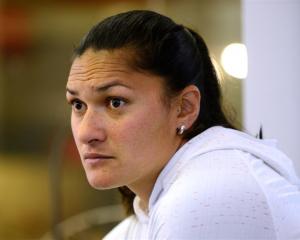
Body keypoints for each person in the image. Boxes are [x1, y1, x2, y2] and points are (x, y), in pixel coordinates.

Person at [66, 10, 300, 239]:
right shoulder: (146, 216)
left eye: (115, 102)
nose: (86, 132)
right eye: (77, 105)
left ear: (184, 108)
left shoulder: (207, 198)